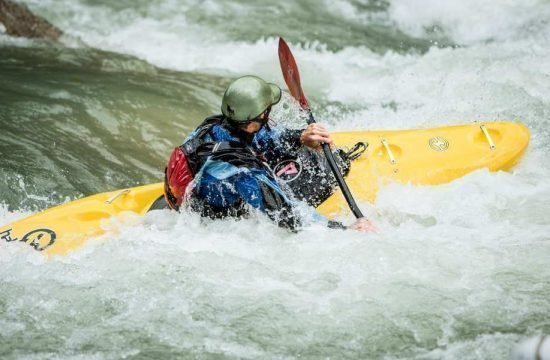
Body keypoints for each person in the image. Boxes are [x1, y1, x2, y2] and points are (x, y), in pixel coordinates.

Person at [163, 75, 374, 232]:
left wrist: (301, 137)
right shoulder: (242, 170)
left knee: (278, 154)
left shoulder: (216, 124)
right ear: (261, 115)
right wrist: (343, 229)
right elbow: (286, 214)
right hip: (213, 220)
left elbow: (265, 137)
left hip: (194, 197)